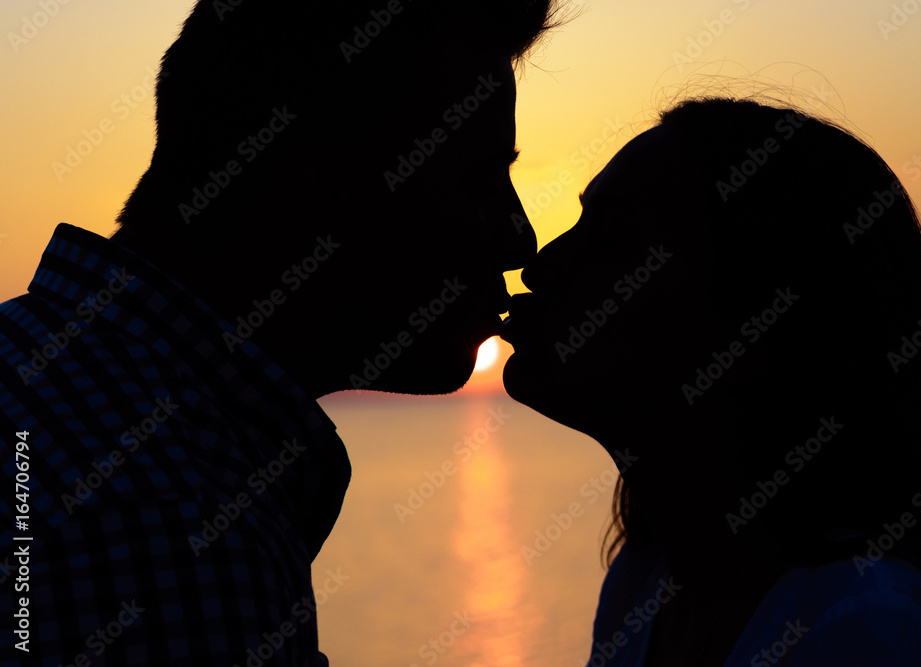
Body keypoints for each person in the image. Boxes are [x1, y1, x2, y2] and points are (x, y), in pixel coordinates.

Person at [0, 0, 560, 663]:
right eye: (479, 181)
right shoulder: (177, 531)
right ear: (317, 185)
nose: (521, 239)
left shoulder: (36, 366)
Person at [502, 97, 921, 665]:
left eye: (612, 244)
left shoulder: (868, 629)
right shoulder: (645, 586)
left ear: (752, 333)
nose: (541, 266)